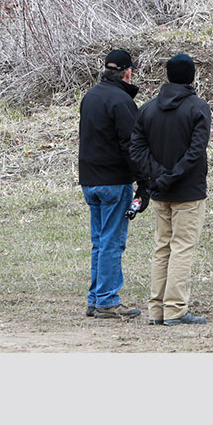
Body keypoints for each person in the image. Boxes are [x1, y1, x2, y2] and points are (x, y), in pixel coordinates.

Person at [128, 53, 213, 325]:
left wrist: (158, 176)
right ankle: (175, 308)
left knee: (162, 247)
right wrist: (171, 177)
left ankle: (156, 309)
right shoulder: (198, 108)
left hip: (160, 191)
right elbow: (195, 152)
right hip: (188, 191)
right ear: (191, 77)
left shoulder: (147, 109)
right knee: (181, 248)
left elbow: (137, 148)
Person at [77, 48, 150, 319]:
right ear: (127, 72)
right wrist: (143, 182)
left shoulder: (90, 96)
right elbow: (131, 146)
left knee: (99, 241)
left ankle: (95, 298)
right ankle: (107, 300)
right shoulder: (121, 102)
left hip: (89, 180)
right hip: (113, 181)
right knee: (111, 242)